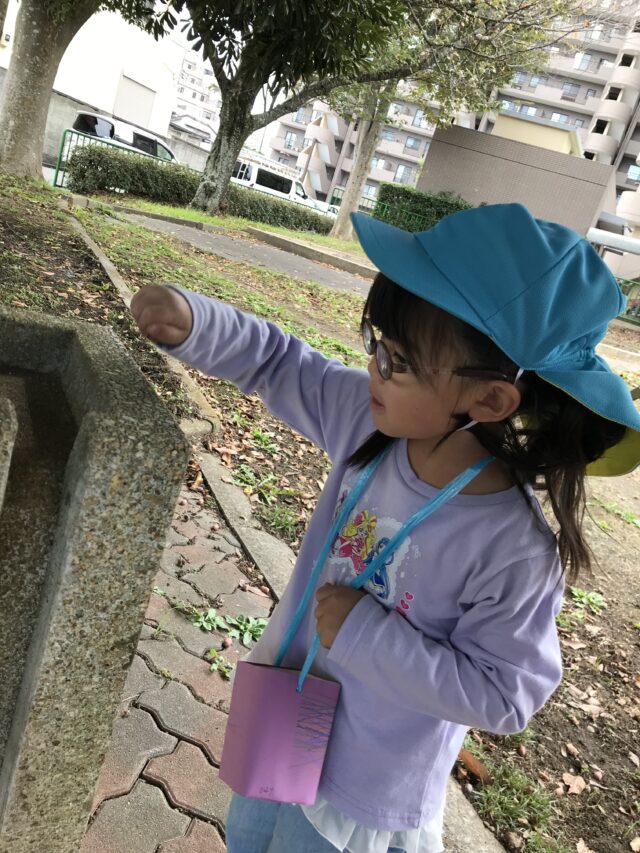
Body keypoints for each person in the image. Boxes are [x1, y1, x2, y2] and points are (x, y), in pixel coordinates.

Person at [130, 203, 640, 853]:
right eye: (377, 343)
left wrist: (365, 634)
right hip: (283, 718)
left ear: (489, 400)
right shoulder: (369, 422)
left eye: (398, 361)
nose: (373, 368)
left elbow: (504, 694)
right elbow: (280, 363)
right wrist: (196, 321)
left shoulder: (515, 549)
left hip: (360, 794)